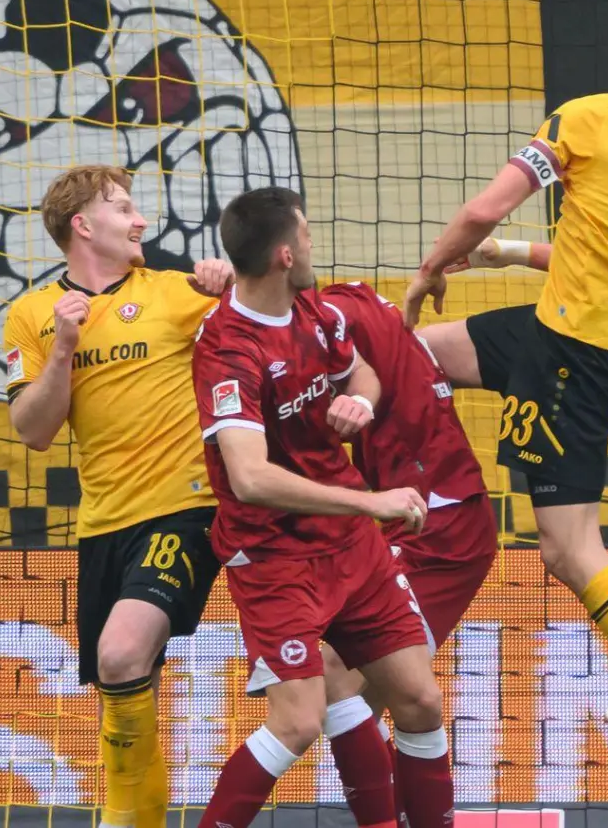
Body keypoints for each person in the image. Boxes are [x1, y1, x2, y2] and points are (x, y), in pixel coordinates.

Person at [406, 0, 608, 800]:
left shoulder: (588, 117)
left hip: (569, 352)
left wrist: (431, 273)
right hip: (600, 338)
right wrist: (513, 256)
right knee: (408, 357)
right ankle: (389, 506)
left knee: (567, 549)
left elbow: (487, 204)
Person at [191, 188, 451, 828]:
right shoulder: (228, 348)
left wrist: (359, 402)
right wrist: (371, 501)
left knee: (420, 700)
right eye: (306, 235)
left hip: (350, 548)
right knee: (298, 720)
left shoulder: (315, 309)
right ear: (284, 253)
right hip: (276, 555)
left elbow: (361, 373)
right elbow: (250, 478)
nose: (313, 243)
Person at [3, 165, 233, 828]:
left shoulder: (177, 291)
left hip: (186, 509)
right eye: (125, 209)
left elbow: (279, 313)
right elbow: (35, 431)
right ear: (84, 225)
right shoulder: (32, 315)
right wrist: (64, 350)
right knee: (123, 697)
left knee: (121, 653)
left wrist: (232, 286)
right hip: (103, 525)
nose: (140, 222)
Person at [316, 279, 498, 827]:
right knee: (361, 701)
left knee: (334, 678)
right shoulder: (361, 304)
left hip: (437, 528)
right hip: (413, 519)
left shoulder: (322, 321)